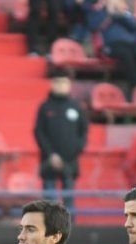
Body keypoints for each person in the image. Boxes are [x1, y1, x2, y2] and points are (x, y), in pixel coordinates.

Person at [34, 70, 88, 212]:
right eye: (57, 82)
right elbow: (39, 132)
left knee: (69, 202)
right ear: (52, 84)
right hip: (49, 161)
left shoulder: (76, 107)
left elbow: (84, 132)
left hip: (70, 161)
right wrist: (51, 154)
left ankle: (70, 230)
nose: (61, 85)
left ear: (69, 85)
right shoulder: (45, 107)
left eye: (64, 82)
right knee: (49, 203)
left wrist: (75, 152)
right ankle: (48, 231)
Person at [91, 0, 136, 96]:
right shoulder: (100, 13)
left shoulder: (126, 14)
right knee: (126, 54)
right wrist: (111, 15)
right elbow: (94, 26)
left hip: (130, 44)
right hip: (111, 45)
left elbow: (134, 26)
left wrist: (122, 15)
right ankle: (135, 86)